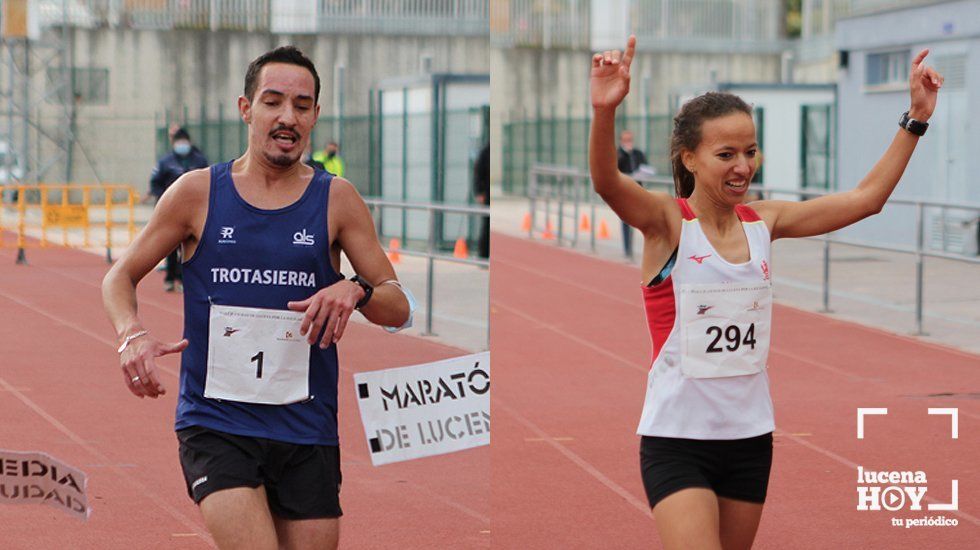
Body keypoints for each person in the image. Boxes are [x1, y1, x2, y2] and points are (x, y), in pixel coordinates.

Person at [589, 36, 942, 550]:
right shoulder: (668, 224)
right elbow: (606, 182)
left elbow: (867, 200)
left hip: (750, 440)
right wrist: (603, 112)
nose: (742, 165)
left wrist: (915, 119)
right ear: (689, 158)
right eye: (725, 153)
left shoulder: (764, 222)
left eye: (750, 151)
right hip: (678, 440)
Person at [102, 46, 414, 550]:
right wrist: (131, 334)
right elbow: (119, 277)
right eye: (273, 102)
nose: (287, 116)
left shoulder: (338, 199)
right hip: (217, 422)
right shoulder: (196, 193)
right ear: (246, 109)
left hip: (306, 426)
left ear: (315, 115)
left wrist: (355, 289)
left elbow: (398, 307)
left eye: (302, 105)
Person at [147, 127, 209, 291]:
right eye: (179, 142)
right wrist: (164, 199)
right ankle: (169, 277)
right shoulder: (165, 162)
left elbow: (208, 181)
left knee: (191, 247)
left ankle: (183, 278)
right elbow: (155, 183)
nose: (182, 144)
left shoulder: (199, 160)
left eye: (184, 141)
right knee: (170, 246)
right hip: (170, 212)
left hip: (196, 212)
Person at [616, 130, 648, 259]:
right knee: (626, 220)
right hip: (623, 192)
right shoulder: (618, 153)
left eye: (630, 140)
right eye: (626, 140)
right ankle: (627, 249)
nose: (628, 143)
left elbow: (645, 165)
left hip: (638, 190)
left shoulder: (638, 153)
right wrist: (624, 154)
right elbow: (615, 168)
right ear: (621, 141)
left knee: (641, 219)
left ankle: (645, 248)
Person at [474, 142, 490, 259]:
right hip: (487, 194)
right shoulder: (485, 152)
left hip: (489, 192)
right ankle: (483, 254)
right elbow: (478, 173)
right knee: (486, 225)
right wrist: (479, 192)